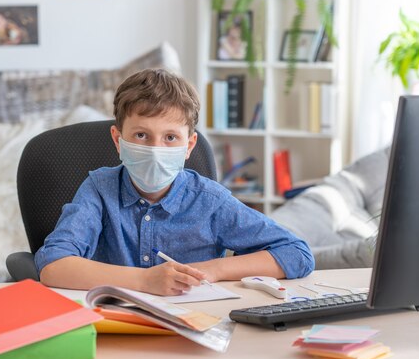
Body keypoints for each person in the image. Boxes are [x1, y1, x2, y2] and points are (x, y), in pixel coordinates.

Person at [35, 69, 314, 296]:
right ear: (118, 140)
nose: (156, 150)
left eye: (170, 137)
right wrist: (145, 280)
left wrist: (212, 270)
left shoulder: (209, 200)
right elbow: (53, 265)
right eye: (142, 136)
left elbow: (297, 254)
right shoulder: (99, 189)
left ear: (189, 145)